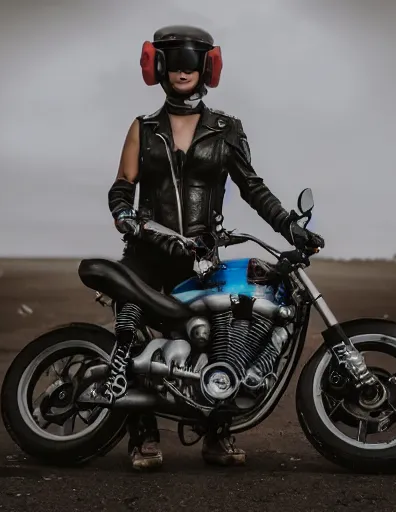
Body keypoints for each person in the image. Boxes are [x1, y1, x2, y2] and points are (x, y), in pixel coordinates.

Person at [106, 25, 324, 470]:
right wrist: (124, 214)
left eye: (192, 60)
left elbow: (253, 188)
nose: (183, 69)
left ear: (207, 67)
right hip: (146, 256)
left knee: (219, 343)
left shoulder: (227, 129)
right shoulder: (142, 128)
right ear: (157, 65)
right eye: (173, 59)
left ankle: (216, 434)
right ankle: (143, 436)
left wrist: (289, 226)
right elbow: (122, 186)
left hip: (201, 259)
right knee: (134, 339)